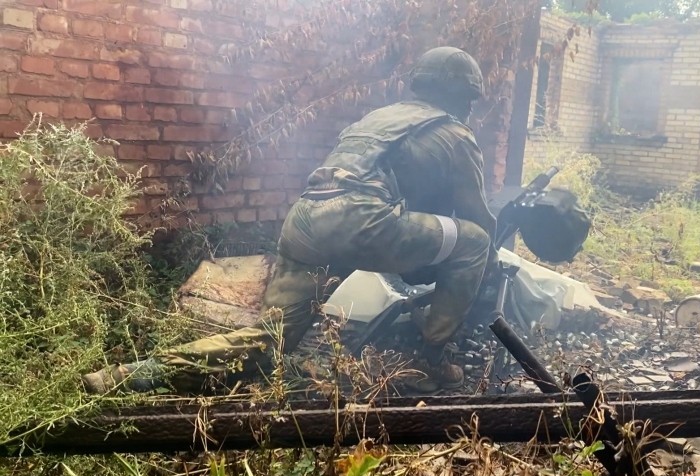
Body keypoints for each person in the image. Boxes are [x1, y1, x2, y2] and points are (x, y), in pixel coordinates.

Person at [82, 46, 498, 395]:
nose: (468, 109)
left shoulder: (378, 119)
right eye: (469, 100)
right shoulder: (455, 134)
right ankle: (431, 363)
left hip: (306, 218)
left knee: (268, 342)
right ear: (460, 96)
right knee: (476, 240)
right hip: (361, 221)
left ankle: (130, 375)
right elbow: (475, 218)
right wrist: (486, 261)